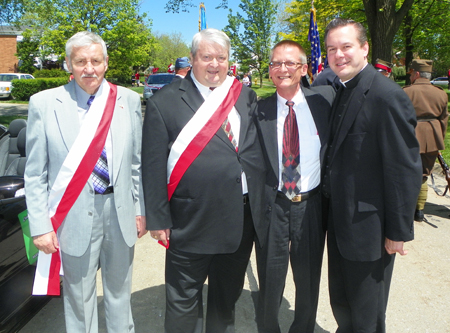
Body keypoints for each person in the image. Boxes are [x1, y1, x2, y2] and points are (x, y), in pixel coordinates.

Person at [141, 28, 266, 333]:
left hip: (239, 218)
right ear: (193, 59)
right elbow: (152, 166)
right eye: (206, 57)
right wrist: (158, 219)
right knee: (183, 300)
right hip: (189, 220)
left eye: (221, 57)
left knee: (226, 299)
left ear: (228, 61)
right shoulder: (165, 101)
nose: (214, 64)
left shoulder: (246, 96)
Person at [25, 31, 147, 332]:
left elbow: (136, 163)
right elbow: (35, 173)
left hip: (119, 212)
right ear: (69, 64)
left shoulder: (128, 100)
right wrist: (40, 225)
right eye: (80, 61)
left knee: (120, 295)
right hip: (73, 217)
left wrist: (140, 209)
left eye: (95, 60)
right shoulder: (44, 104)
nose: (88, 68)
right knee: (79, 300)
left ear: (106, 64)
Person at [321, 18, 422, 332]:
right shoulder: (341, 88)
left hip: (370, 229)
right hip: (340, 221)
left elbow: (404, 170)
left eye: (347, 46)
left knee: (366, 314)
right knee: (342, 302)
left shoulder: (386, 96)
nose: (339, 55)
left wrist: (398, 230)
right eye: (332, 49)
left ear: (364, 48)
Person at [255, 40, 335, 333]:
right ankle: (268, 327)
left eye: (290, 63)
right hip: (273, 204)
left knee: (308, 278)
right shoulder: (258, 109)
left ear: (303, 68)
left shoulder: (324, 102)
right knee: (270, 277)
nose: (282, 69)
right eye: (276, 63)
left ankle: (303, 328)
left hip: (311, 205)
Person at [403, 59, 448, 222]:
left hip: (410, 136)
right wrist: (438, 138)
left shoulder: (406, 92)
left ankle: (407, 208)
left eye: (411, 74)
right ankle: (419, 211)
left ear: (416, 74)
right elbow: (444, 120)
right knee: (423, 174)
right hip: (432, 136)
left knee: (407, 172)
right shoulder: (441, 93)